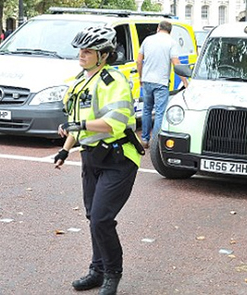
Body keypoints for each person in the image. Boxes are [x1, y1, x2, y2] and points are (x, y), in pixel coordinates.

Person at [54, 26, 144, 295]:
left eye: (88, 51)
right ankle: (97, 269)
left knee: (102, 219)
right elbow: (76, 125)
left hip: (119, 158)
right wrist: (64, 148)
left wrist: (77, 124)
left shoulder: (113, 81)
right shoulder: (79, 81)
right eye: (80, 50)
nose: (81, 55)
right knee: (94, 216)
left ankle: (112, 275)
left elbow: (112, 122)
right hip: (92, 157)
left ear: (103, 55)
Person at [135, 20, 188, 148]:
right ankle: (155, 141)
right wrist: (185, 82)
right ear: (170, 31)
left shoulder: (147, 40)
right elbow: (176, 64)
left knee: (147, 110)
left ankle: (145, 139)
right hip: (161, 83)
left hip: (147, 80)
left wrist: (141, 77)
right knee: (159, 112)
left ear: (158, 28)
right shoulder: (171, 43)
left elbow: (138, 61)